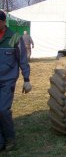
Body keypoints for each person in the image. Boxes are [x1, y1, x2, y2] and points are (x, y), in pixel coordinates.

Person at [0, 10, 32, 152]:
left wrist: (26, 79)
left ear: (3, 22)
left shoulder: (14, 38)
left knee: (3, 110)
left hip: (7, 81)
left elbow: (23, 60)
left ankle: (10, 138)